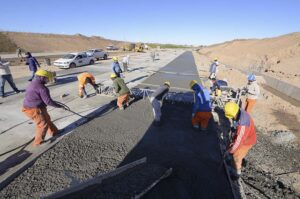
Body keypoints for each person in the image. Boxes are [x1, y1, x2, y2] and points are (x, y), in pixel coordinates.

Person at [22, 69, 64, 146]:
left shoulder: (32, 84)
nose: (48, 80)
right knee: (42, 124)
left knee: (47, 119)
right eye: (47, 78)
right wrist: (59, 106)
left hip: (35, 106)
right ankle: (38, 142)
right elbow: (48, 102)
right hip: (34, 109)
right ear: (42, 77)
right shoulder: (42, 88)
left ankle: (54, 131)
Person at [224, 102, 257, 180]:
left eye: (231, 117)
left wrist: (230, 151)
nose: (231, 119)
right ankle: (230, 160)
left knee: (237, 157)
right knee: (232, 148)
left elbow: (239, 141)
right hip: (243, 137)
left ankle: (236, 174)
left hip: (247, 142)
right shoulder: (239, 111)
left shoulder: (243, 125)